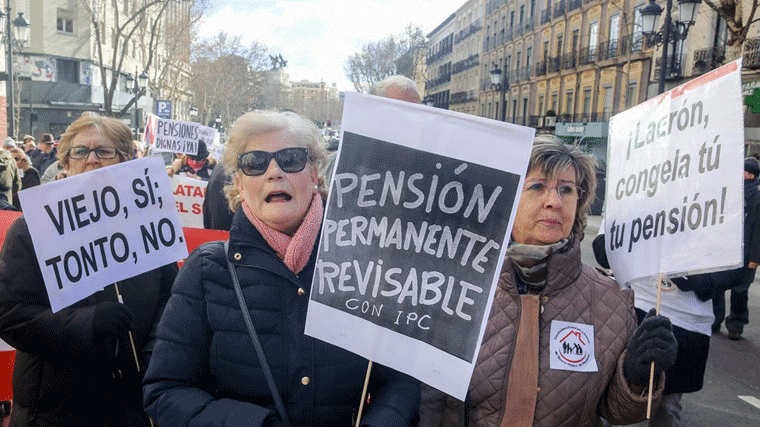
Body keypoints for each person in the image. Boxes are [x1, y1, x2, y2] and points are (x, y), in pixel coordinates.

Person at [143, 110, 420, 426]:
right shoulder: (206, 271)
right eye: (255, 163)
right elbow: (166, 392)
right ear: (239, 183)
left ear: (314, 174)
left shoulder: (365, 265)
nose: (274, 171)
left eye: (290, 158)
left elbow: (400, 383)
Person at [418, 136, 677, 427]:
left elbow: (617, 412)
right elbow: (427, 400)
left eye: (566, 189)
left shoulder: (611, 299)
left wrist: (636, 380)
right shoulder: (452, 284)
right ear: (506, 199)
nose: (554, 202)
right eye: (538, 186)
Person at [0, 113, 178, 426]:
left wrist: (150, 358)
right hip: (55, 407)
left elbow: (172, 301)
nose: (92, 160)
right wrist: (87, 323)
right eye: (80, 151)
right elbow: (9, 314)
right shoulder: (31, 230)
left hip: (130, 399)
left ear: (125, 159)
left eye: (104, 151)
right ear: (65, 162)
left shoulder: (148, 223)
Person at [594, 225, 721, 427]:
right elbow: (603, 250)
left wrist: (680, 268)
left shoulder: (713, 206)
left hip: (685, 326)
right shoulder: (634, 197)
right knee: (620, 399)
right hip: (633, 307)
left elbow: (728, 274)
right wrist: (648, 242)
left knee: (666, 408)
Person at [713, 157, 760, 340]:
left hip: (747, 253)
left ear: (749, 175)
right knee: (717, 288)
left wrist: (755, 258)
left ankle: (736, 325)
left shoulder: (756, 199)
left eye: (742, 171)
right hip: (726, 250)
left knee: (740, 291)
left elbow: (758, 232)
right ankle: (714, 321)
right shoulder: (732, 193)